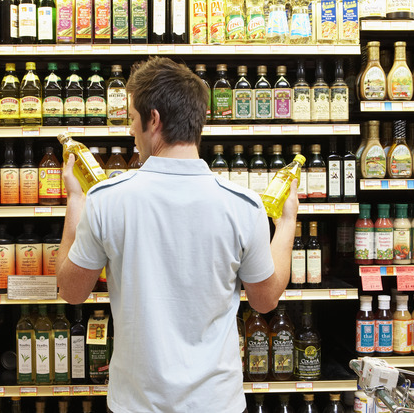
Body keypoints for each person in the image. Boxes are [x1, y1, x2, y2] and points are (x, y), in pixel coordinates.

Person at [56, 56, 298, 413]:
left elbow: (71, 291)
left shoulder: (107, 200)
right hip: (217, 403)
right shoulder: (243, 206)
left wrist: (75, 199)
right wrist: (288, 221)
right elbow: (265, 301)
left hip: (136, 405)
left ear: (153, 119)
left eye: (133, 120)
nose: (131, 130)